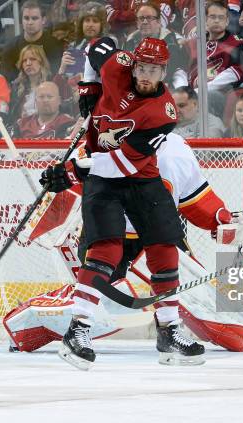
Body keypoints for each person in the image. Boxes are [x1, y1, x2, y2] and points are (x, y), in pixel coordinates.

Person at [5, 132, 243, 354]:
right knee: (106, 310)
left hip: (158, 234)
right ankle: (30, 322)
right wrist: (36, 222)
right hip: (108, 239)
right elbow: (66, 191)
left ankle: (169, 333)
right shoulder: (101, 142)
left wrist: (226, 222)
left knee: (224, 325)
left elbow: (198, 200)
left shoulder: (175, 151)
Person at [39, 36, 205, 370]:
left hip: (139, 176)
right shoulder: (118, 65)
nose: (145, 75)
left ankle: (169, 330)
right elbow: (96, 47)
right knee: (106, 251)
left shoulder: (163, 112)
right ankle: (78, 329)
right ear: (135, 63)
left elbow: (124, 164)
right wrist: (88, 87)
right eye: (142, 67)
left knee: (164, 247)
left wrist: (71, 171)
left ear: (163, 72)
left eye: (154, 70)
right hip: (103, 183)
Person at [182, 1, 243, 117]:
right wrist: (183, 91)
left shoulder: (236, 43)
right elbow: (181, 70)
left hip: (219, 94)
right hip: (190, 93)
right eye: (212, 17)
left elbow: (239, 71)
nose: (217, 20)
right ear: (205, 19)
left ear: (227, 21)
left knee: (209, 96)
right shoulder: (192, 44)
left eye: (221, 17)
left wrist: (205, 88)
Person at [124, 3, 187, 89]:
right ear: (137, 22)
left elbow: (172, 65)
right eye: (141, 18)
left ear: (159, 22)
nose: (145, 22)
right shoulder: (130, 40)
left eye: (149, 18)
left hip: (165, 79)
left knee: (180, 75)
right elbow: (126, 67)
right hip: (139, 80)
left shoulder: (170, 37)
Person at [0, 0, 64, 84]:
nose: (30, 22)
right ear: (21, 20)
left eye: (34, 18)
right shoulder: (11, 46)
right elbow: (4, 79)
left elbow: (56, 75)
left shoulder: (55, 45)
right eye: (26, 18)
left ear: (43, 20)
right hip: (18, 92)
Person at [7, 45, 52, 124]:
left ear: (41, 62)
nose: (28, 63)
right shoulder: (16, 87)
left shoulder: (52, 84)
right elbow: (12, 117)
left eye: (33, 59)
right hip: (23, 131)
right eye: (24, 60)